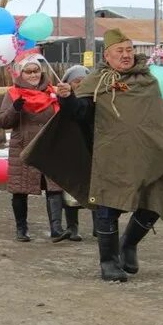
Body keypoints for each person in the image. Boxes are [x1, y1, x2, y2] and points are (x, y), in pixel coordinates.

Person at [27, 28, 163, 282]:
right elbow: (80, 112)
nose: (126, 55)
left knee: (159, 196)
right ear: (108, 55)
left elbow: (157, 122)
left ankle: (129, 244)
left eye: (129, 50)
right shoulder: (98, 81)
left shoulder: (148, 81)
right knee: (108, 206)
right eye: (119, 51)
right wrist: (68, 99)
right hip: (110, 156)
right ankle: (109, 263)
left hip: (146, 155)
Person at [0, 52, 70, 243]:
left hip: (49, 147)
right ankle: (21, 229)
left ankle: (56, 229)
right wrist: (15, 109)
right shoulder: (13, 94)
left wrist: (66, 99)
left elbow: (66, 116)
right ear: (21, 74)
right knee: (20, 189)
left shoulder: (53, 91)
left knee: (54, 188)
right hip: (23, 147)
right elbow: (2, 121)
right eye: (28, 72)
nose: (32, 75)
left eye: (35, 70)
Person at [59, 64, 97, 241]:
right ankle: (72, 227)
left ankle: (100, 227)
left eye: (84, 80)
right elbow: (74, 109)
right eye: (76, 81)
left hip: (93, 149)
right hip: (71, 150)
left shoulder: (96, 99)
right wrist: (67, 98)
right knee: (71, 188)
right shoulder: (63, 99)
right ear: (68, 83)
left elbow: (84, 110)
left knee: (96, 189)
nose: (81, 84)